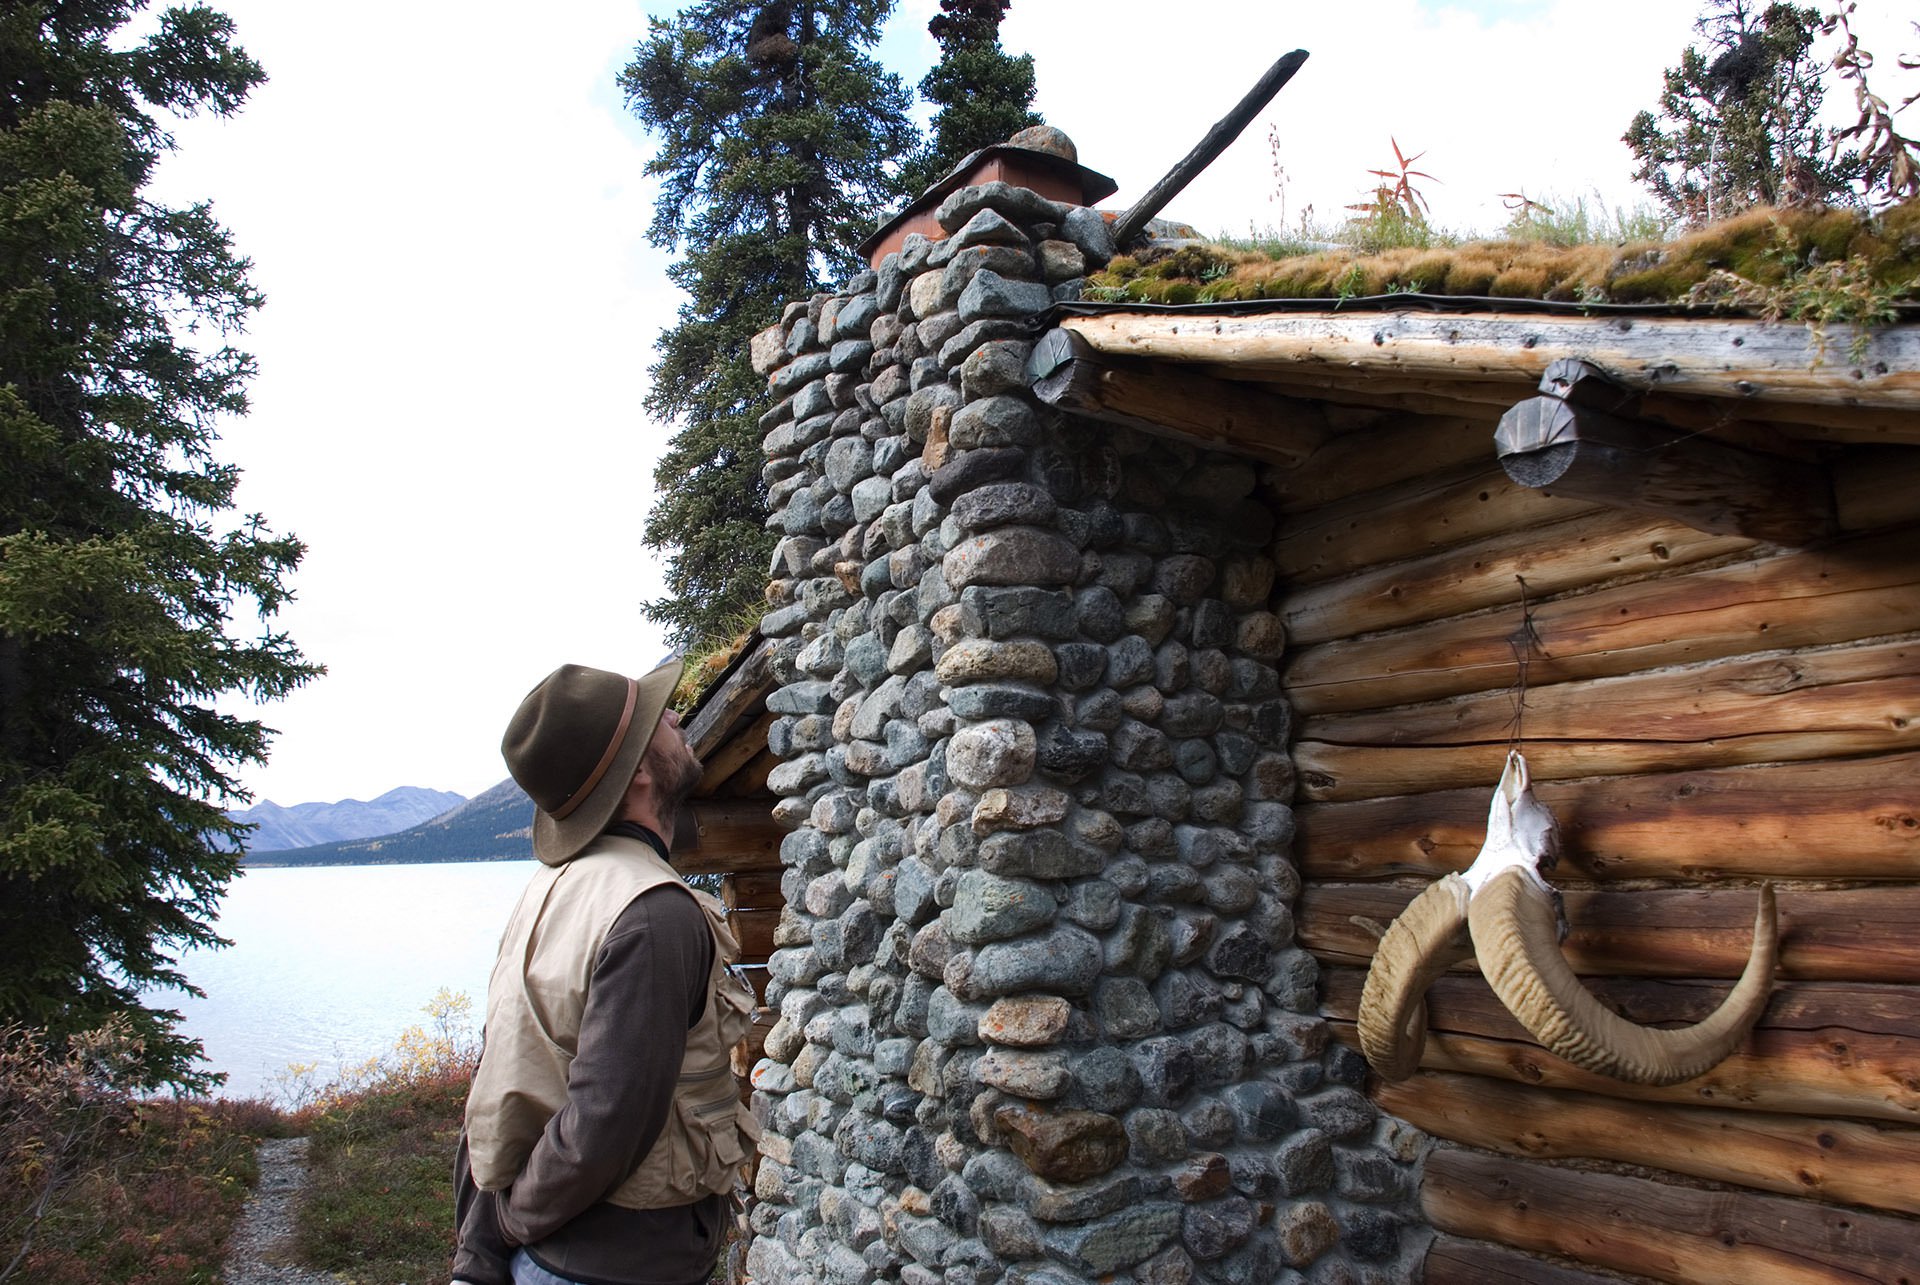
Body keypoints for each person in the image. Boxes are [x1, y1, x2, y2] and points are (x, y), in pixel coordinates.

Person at [452, 659, 759, 1285]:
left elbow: (499, 1079)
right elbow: (607, 1120)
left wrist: (482, 1249)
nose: (677, 717)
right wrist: (511, 1223)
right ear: (641, 772)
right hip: (618, 1265)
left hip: (554, 1261)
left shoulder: (550, 889)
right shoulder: (653, 913)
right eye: (659, 720)